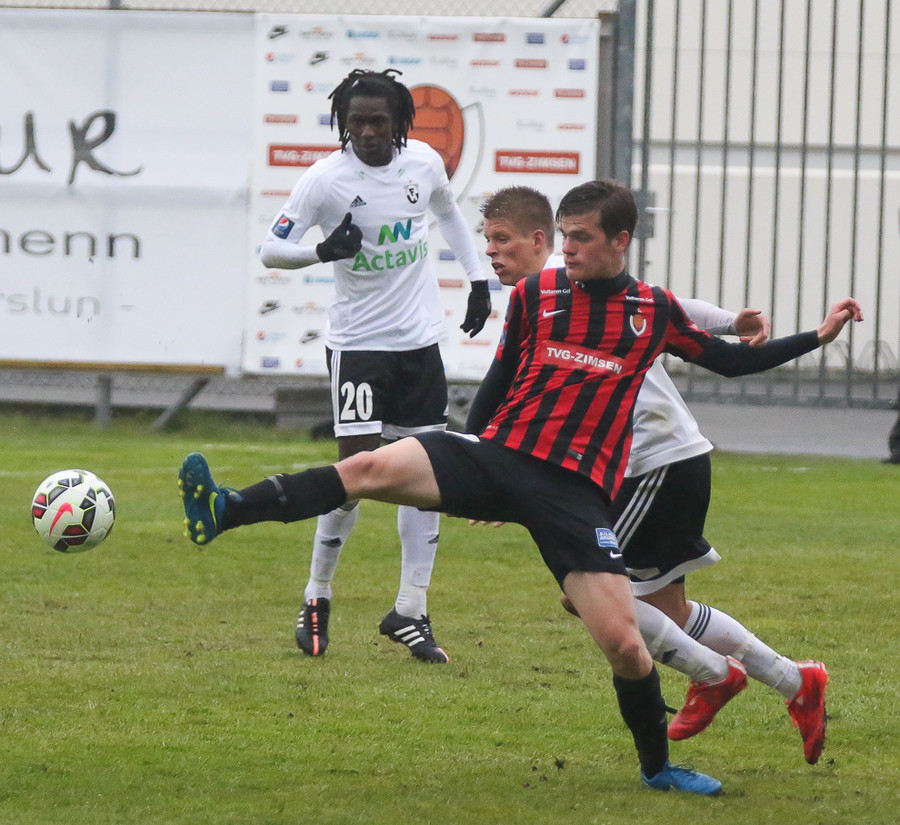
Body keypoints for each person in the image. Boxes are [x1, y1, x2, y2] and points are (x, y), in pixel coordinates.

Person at [180, 179, 861, 795]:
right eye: (564, 236)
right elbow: (501, 378)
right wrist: (470, 456)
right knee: (367, 468)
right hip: (501, 457)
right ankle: (227, 507)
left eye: (582, 237)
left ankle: (658, 767)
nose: (569, 249)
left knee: (625, 645)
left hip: (574, 492)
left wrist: (818, 336)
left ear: (620, 240)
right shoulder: (538, 295)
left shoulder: (650, 311)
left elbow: (732, 362)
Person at [480, 185, 828, 765]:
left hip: (655, 463)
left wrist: (748, 326)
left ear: (539, 242)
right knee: (665, 610)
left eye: (503, 240)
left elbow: (678, 314)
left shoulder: (592, 290)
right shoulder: (544, 300)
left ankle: (716, 675)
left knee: (585, 594)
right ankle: (798, 682)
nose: (492, 252)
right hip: (636, 468)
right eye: (488, 240)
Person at [258, 69, 491, 663]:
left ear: (400, 122)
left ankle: (411, 609)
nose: (366, 131)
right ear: (343, 122)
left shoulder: (424, 164)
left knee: (427, 479)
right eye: (355, 121)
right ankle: (317, 595)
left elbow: (449, 215)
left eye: (377, 121)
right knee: (354, 475)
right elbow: (271, 249)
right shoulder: (325, 180)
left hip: (419, 345)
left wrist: (477, 281)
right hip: (358, 346)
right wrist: (321, 251)